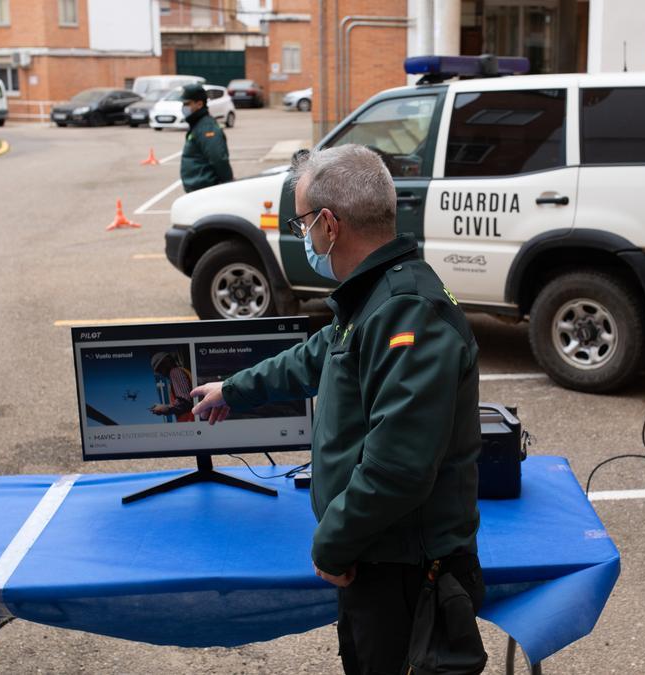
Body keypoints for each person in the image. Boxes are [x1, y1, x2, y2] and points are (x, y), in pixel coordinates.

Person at [190, 145, 484, 673]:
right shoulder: (373, 298)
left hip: (405, 573)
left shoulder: (407, 313)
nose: (303, 235)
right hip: (376, 555)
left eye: (302, 222)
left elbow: (397, 468)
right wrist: (232, 390)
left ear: (329, 224)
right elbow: (317, 356)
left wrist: (331, 545)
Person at [178, 83, 233, 193]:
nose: (184, 107)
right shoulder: (197, 124)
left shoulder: (207, 127)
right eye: (183, 104)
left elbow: (218, 158)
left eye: (187, 104)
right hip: (198, 190)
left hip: (205, 190)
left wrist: (228, 184)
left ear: (199, 104)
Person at [149, 352, 195, 422]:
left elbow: (185, 402)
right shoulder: (179, 372)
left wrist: (166, 408)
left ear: (167, 361)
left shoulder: (175, 372)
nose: (161, 373)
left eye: (159, 368)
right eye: (158, 371)